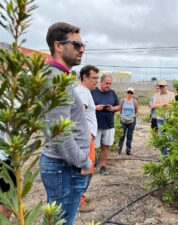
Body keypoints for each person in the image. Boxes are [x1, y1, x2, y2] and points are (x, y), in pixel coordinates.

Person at [39, 22, 91, 225]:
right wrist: (83, 161)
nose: (82, 50)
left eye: (82, 44)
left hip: (64, 167)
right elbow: (59, 134)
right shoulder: (55, 80)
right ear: (58, 46)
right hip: (65, 167)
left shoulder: (59, 77)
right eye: (77, 45)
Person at [75, 65, 99, 212]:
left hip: (85, 136)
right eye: (94, 78)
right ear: (84, 77)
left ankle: (80, 196)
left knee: (85, 168)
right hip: (85, 137)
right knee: (86, 169)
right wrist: (86, 133)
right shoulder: (83, 93)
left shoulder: (82, 91)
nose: (97, 81)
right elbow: (78, 114)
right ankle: (79, 202)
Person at [91, 74, 119, 175]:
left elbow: (118, 106)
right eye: (107, 83)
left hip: (109, 125)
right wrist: (95, 107)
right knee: (93, 147)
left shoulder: (112, 93)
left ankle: (103, 166)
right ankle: (91, 165)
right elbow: (86, 106)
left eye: (110, 84)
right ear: (101, 81)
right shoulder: (92, 92)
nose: (108, 85)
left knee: (106, 146)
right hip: (95, 126)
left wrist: (112, 109)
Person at [151, 80, 175, 155]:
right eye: (160, 86)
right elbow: (153, 106)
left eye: (162, 86)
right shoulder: (156, 95)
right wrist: (165, 104)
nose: (161, 87)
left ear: (166, 86)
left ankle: (171, 155)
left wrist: (159, 104)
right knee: (162, 138)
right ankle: (164, 155)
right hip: (160, 119)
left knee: (171, 137)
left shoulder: (171, 94)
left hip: (169, 118)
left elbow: (172, 106)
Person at [118, 87, 138, 155]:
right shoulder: (122, 100)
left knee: (129, 136)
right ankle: (119, 150)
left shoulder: (134, 101)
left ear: (133, 94)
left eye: (131, 93)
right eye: (129, 92)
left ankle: (128, 151)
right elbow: (120, 109)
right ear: (127, 92)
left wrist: (131, 116)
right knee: (121, 135)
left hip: (132, 120)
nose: (130, 94)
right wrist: (123, 115)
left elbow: (136, 110)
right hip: (123, 120)